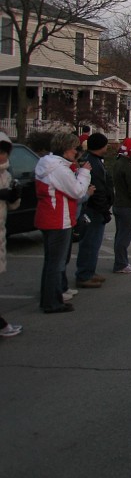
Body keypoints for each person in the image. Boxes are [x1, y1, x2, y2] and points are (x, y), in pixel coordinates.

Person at [35, 131, 93, 314]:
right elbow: (76, 191)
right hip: (58, 219)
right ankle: (52, 302)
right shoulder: (59, 169)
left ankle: (50, 298)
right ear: (68, 149)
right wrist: (84, 173)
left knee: (51, 261)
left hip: (49, 217)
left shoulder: (47, 163)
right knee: (56, 263)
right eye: (76, 149)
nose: (77, 153)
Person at [75, 132, 112, 288]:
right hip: (93, 210)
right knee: (90, 242)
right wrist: (104, 209)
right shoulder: (92, 164)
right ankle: (84, 274)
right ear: (100, 146)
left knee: (94, 243)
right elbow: (97, 189)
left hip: (96, 208)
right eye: (105, 144)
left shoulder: (95, 161)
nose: (107, 147)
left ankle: (90, 270)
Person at [0, 132, 24, 336]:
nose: (1, 156)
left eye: (4, 152)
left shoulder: (6, 174)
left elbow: (13, 205)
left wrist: (14, 195)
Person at [110, 138, 131, 274]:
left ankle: (120, 262)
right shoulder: (128, 167)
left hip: (118, 203)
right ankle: (121, 264)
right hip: (127, 206)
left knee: (119, 235)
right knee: (124, 237)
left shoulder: (119, 163)